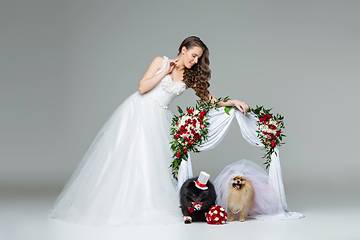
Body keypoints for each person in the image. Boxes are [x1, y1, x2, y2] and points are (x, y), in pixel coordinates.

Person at [48, 36, 249, 226]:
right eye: (193, 55)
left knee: (148, 163)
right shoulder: (159, 62)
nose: (195, 61)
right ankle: (114, 205)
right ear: (183, 49)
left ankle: (143, 205)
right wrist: (164, 72)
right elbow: (142, 88)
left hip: (158, 118)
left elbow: (210, 100)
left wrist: (232, 102)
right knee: (122, 158)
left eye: (198, 58)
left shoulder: (190, 77)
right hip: (137, 110)